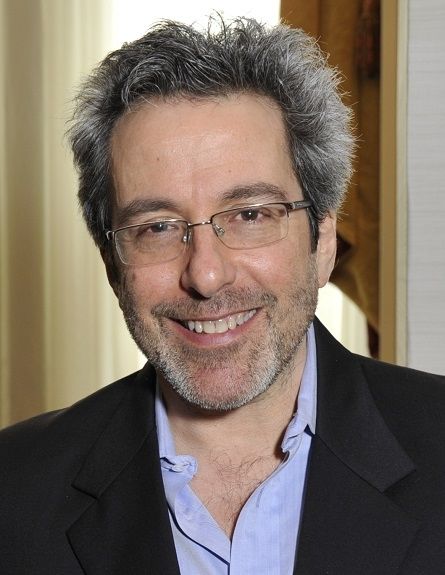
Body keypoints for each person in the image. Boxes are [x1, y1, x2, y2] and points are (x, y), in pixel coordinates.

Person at [1, 16, 444, 575]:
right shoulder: (13, 492)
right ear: (112, 263)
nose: (206, 276)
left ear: (324, 240)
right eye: (158, 227)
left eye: (250, 215)